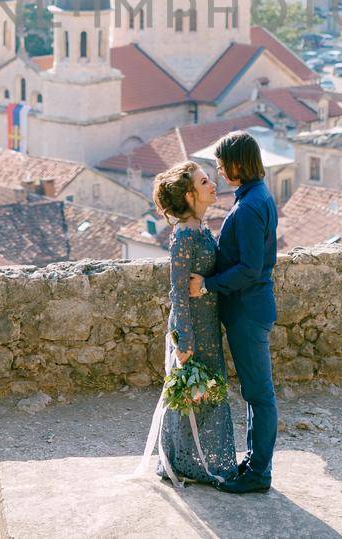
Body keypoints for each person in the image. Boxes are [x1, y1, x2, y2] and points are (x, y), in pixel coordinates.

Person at [141, 161, 239, 487]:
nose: (213, 185)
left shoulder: (201, 228)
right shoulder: (184, 236)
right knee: (191, 394)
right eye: (204, 182)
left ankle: (205, 462)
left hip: (208, 323)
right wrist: (184, 339)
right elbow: (177, 292)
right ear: (189, 194)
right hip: (193, 327)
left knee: (209, 392)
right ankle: (188, 463)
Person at [191, 130, 278, 494]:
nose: (221, 171)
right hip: (252, 307)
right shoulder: (257, 197)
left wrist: (208, 285)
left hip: (247, 309)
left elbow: (249, 269)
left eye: (223, 164)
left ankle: (259, 473)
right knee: (254, 393)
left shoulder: (248, 208)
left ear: (239, 163)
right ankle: (255, 461)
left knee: (259, 394)